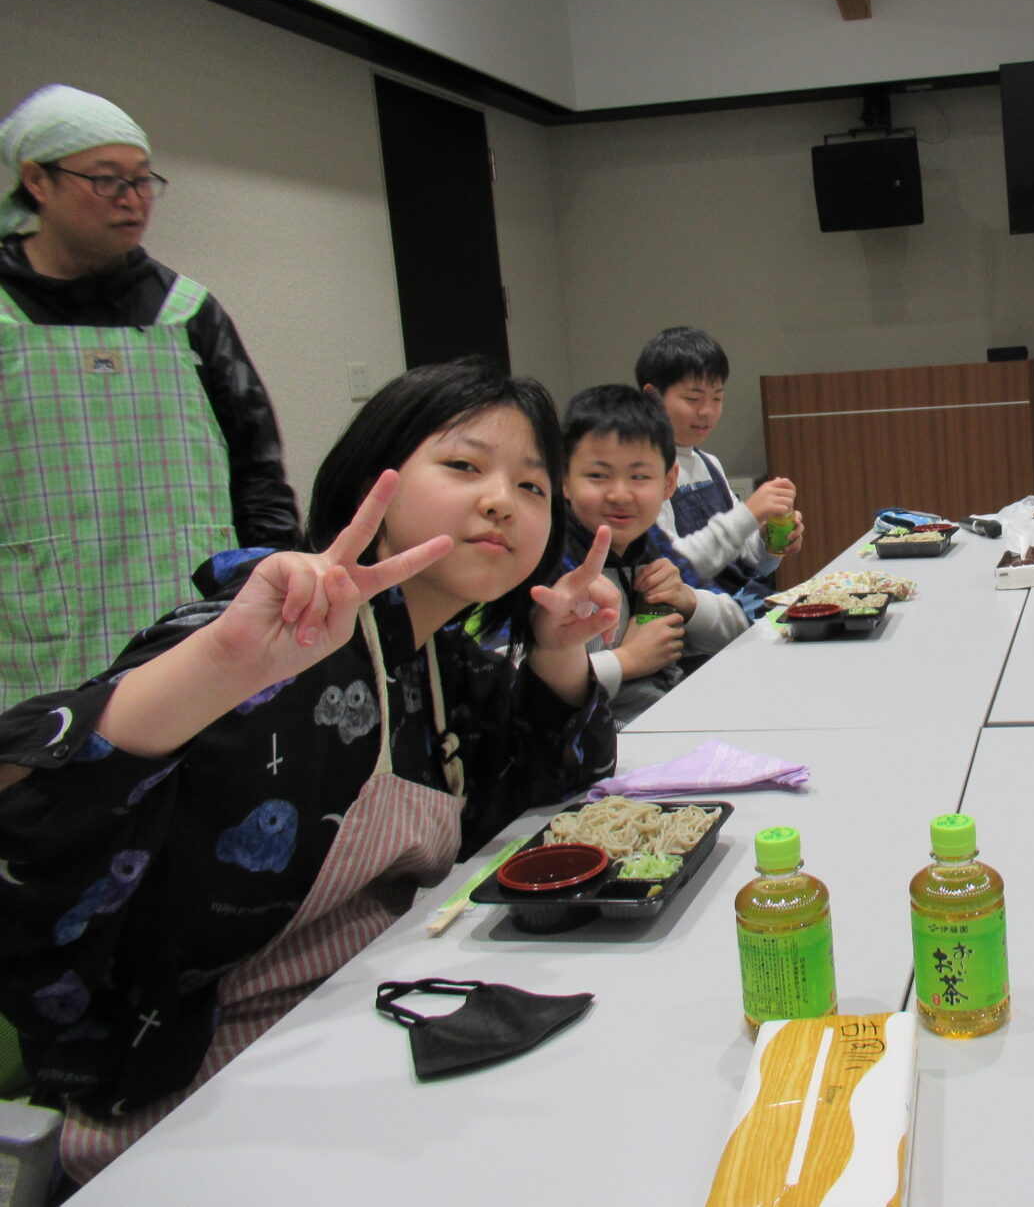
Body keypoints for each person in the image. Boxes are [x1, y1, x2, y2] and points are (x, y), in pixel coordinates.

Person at [0, 358, 620, 1184]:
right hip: (190, 1101)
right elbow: (30, 814)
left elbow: (544, 816)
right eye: (464, 466)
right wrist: (218, 666)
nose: (501, 500)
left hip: (370, 1026)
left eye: (533, 487)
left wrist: (557, 651)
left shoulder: (444, 665)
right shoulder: (280, 629)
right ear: (376, 482)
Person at [0, 84, 299, 711]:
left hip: (186, 625)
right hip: (36, 631)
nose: (133, 200)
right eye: (108, 181)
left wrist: (276, 587)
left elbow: (258, 473)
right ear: (36, 181)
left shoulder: (187, 312)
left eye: (143, 180)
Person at [561, 384, 751, 725]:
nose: (619, 494)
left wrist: (686, 599)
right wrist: (627, 660)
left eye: (639, 476)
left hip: (666, 722)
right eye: (598, 476)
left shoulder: (650, 544)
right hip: (589, 749)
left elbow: (736, 627)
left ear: (668, 482)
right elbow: (512, 677)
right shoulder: (547, 560)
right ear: (564, 480)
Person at [636, 327, 801, 616]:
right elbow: (671, 572)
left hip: (742, 605)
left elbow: (751, 563)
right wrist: (748, 513)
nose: (707, 411)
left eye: (717, 398)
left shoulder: (709, 463)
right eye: (692, 398)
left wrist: (769, 539)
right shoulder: (643, 473)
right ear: (651, 396)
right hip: (698, 627)